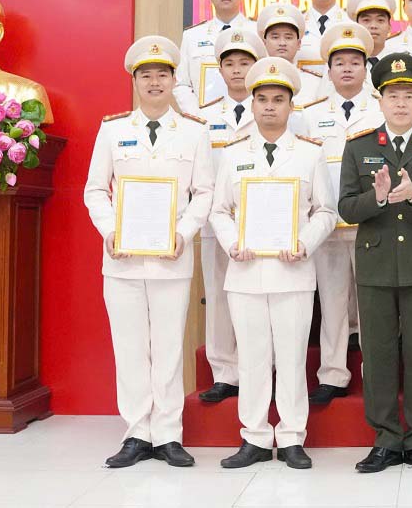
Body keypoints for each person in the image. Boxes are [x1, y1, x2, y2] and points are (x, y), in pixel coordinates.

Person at [83, 36, 214, 469]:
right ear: (135, 81)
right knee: (131, 347)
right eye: (145, 75)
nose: (154, 81)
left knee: (169, 347)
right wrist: (110, 230)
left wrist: (183, 231)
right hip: (121, 260)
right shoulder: (113, 130)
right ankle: (138, 431)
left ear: (176, 80)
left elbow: (204, 193)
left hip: (171, 259)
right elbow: (96, 190)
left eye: (162, 74)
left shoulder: (194, 132)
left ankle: (169, 434)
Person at [210, 58, 338, 470]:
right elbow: (219, 212)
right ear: (252, 104)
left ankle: (292, 436)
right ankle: (256, 437)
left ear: (290, 106)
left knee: (291, 357)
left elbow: (326, 211)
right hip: (245, 272)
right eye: (262, 99)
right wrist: (232, 244)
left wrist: (304, 242)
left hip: (292, 272)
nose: (269, 106)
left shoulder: (308, 155)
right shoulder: (232, 155)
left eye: (278, 99)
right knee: (251, 357)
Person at [339, 53, 412, 473]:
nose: (401, 102)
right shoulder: (360, 147)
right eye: (393, 95)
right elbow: (346, 208)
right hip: (375, 266)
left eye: (409, 94)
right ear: (381, 100)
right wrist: (377, 198)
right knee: (379, 353)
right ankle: (386, 439)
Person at [301, 23, 384, 406]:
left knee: (371, 302)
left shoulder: (382, 109)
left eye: (355, 62)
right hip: (327, 222)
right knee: (332, 300)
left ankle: (376, 373)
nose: (347, 69)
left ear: (367, 68)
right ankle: (333, 374)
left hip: (372, 218)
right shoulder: (309, 113)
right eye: (339, 63)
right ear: (328, 70)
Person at [195, 28, 268, 403]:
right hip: (218, 222)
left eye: (245, 63)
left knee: (262, 298)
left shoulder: (275, 109)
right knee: (219, 296)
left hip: (267, 225)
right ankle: (225, 372)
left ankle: (260, 369)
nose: (237, 70)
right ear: (219, 69)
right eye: (230, 63)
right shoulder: (202, 117)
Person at [175, 0, 252, 115]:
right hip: (206, 123)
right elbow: (182, 84)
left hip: (251, 120)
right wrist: (198, 117)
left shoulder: (257, 32)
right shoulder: (192, 36)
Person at [257, 2, 324, 104]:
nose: (282, 43)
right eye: (275, 37)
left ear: (299, 43)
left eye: (288, 37)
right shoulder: (255, 79)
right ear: (264, 42)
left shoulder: (315, 82)